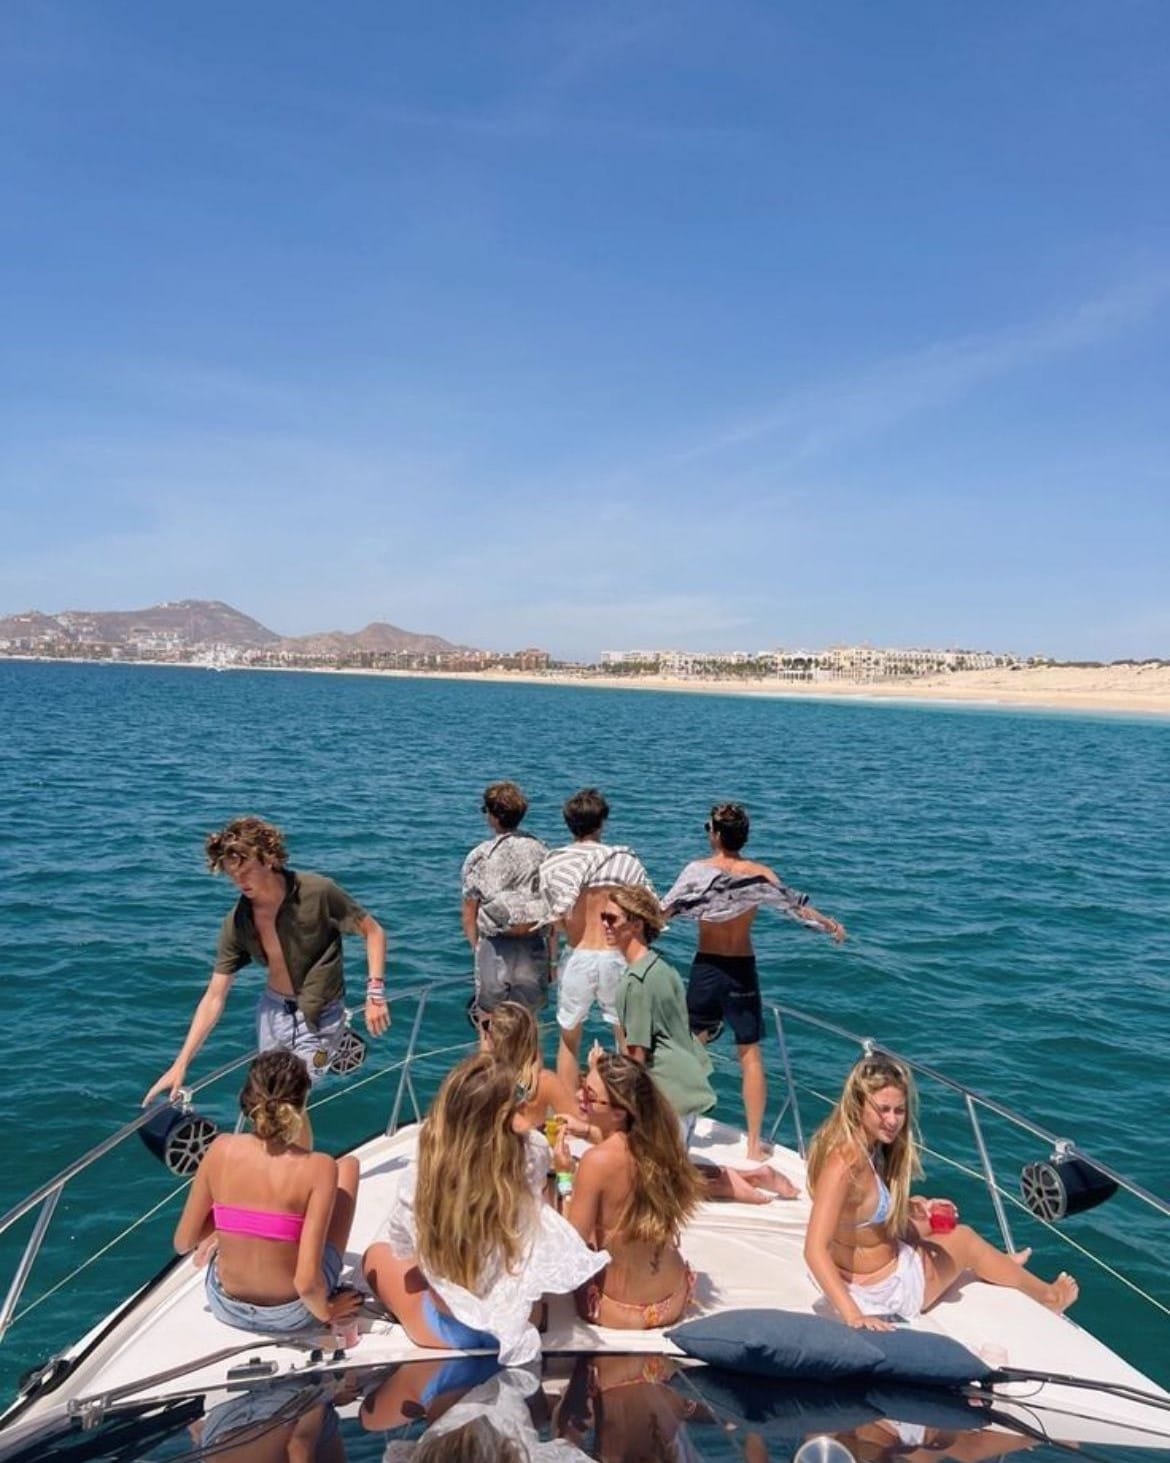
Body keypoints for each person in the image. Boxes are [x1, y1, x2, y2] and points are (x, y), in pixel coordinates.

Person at [362, 1053, 607, 1366]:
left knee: (377, 1256)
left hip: (446, 1329)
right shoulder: (534, 1152)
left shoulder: (425, 1171)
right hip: (524, 1320)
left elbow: (404, 1244)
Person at [804, 1054, 1078, 1329]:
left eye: (899, 1111)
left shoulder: (862, 1146)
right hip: (882, 1289)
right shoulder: (845, 1164)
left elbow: (863, 1210)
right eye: (883, 1109)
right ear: (858, 1104)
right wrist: (854, 1315)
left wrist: (918, 1206)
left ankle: (996, 1264)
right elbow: (814, 1250)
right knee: (965, 1239)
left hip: (870, 1261)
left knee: (925, 1212)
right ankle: (1050, 1297)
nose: (892, 1120)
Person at [145, 817, 388, 1108]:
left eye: (246, 871)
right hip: (272, 1014)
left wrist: (375, 994)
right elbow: (215, 996)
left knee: (288, 1099)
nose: (240, 881)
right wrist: (181, 1063)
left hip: (320, 1014)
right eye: (232, 875)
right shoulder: (239, 922)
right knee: (272, 1102)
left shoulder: (319, 891)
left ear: (269, 858)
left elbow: (373, 932)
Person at [663, 802, 846, 1161]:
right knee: (750, 1055)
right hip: (741, 969)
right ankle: (753, 1146)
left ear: (716, 835)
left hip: (707, 967)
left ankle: (674, 1132)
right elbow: (797, 909)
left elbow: (665, 909)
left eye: (708, 828)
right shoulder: (760, 875)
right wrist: (830, 925)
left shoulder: (697, 871)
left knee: (688, 1051)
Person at [173, 1049, 362, 1337]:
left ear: (247, 1099)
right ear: (301, 1105)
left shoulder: (220, 1148)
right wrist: (328, 1311)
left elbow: (183, 1242)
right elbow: (306, 1284)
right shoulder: (320, 1167)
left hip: (225, 1304)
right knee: (348, 1166)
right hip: (292, 1313)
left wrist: (230, 1220)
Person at [567, 1052, 705, 1329]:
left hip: (616, 1308)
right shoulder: (663, 1146)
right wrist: (586, 1130)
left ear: (620, 1112)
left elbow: (570, 1245)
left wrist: (562, 1176)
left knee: (564, 1207)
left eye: (589, 1095)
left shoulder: (596, 1162)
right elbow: (622, 1144)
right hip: (674, 1296)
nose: (579, 1096)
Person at [538, 788, 655, 1092]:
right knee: (626, 1039)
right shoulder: (624, 862)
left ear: (569, 823)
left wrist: (553, 959)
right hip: (617, 956)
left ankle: (568, 1110)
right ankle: (625, 1106)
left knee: (569, 1042)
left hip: (577, 954)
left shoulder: (554, 864)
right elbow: (650, 907)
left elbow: (554, 920)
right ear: (602, 822)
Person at [601, 885, 716, 1146]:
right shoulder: (663, 968)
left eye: (612, 918)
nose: (604, 924)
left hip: (664, 1097)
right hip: (686, 1088)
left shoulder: (634, 982)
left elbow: (637, 1057)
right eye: (603, 917)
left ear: (636, 925)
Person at [461, 781, 552, 1016]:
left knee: (489, 1018)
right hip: (534, 943)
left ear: (493, 816)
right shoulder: (543, 850)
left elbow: (469, 912)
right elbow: (553, 908)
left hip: (495, 945)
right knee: (528, 1019)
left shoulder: (481, 855)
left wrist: (476, 949)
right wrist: (552, 960)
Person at [478, 1000, 583, 1136]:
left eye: (486, 1027)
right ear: (533, 1035)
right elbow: (577, 1122)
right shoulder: (545, 1082)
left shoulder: (481, 1083)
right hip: (529, 1146)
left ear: (493, 1040)